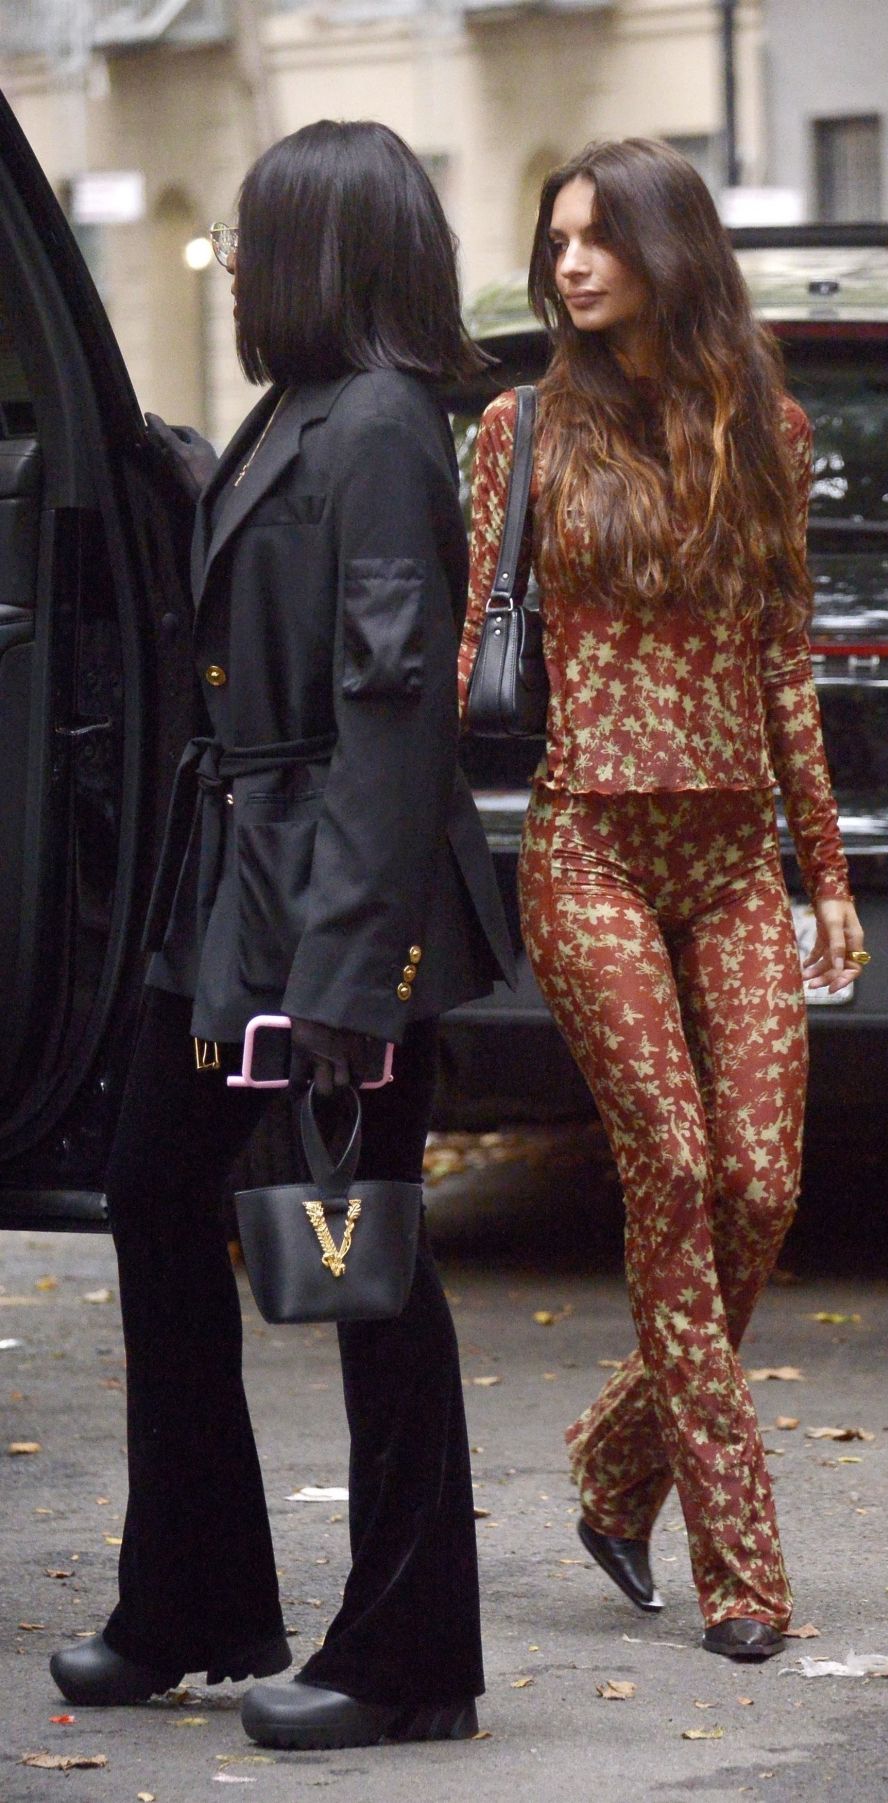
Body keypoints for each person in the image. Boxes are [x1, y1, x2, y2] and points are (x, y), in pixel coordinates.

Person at [50, 119, 514, 1750]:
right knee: (157, 1199)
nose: (237, 264)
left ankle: (406, 1661)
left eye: (258, 237)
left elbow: (393, 717)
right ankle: (188, 1599)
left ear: (325, 248)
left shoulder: (384, 424)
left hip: (330, 905)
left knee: (370, 1275)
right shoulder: (299, 415)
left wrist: (351, 979)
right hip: (237, 890)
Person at [459, 138, 864, 1663]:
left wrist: (823, 872)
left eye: (598, 238)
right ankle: (742, 1569)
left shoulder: (766, 422)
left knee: (762, 1181)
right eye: (555, 236)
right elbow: (464, 641)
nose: (569, 263)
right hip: (587, 849)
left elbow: (784, 660)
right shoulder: (520, 428)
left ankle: (620, 1462)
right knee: (676, 1170)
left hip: (729, 855)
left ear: (666, 251)